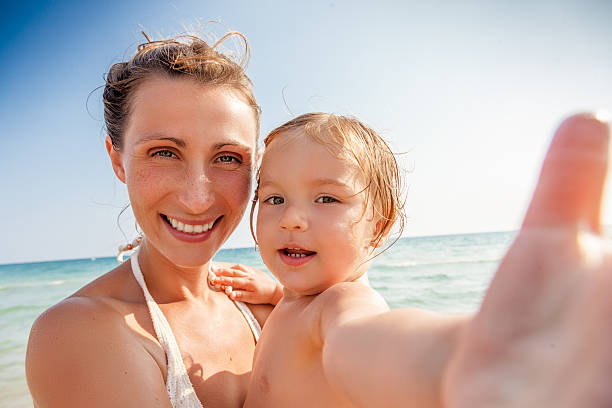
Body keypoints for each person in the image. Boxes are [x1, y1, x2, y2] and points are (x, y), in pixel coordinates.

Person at [232, 112, 612, 407]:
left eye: (327, 199)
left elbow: (370, 341)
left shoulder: (341, 305)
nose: (291, 218)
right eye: (274, 199)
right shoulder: (302, 299)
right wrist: (276, 291)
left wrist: (459, 361)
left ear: (378, 226)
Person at [25, 33, 282, 408]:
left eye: (227, 157)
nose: (197, 199)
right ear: (118, 159)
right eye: (164, 152)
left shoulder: (266, 305)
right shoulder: (78, 332)